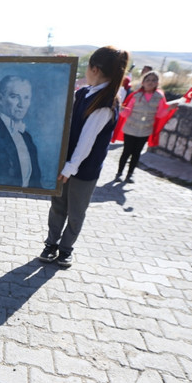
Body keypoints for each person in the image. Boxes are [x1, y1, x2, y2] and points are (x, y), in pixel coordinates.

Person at [39, 46, 128, 268]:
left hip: (82, 170)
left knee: (76, 211)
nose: (85, 72)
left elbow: (86, 142)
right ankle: (51, 243)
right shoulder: (84, 93)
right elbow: (62, 104)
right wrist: (61, 70)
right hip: (65, 165)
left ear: (95, 69)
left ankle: (66, 249)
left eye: (86, 68)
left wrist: (69, 168)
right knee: (58, 206)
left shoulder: (105, 103)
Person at [112, 70, 179, 183]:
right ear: (143, 82)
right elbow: (127, 113)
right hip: (131, 128)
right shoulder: (136, 95)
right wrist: (120, 109)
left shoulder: (159, 96)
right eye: (147, 80)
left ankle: (130, 174)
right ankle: (119, 173)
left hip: (145, 130)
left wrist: (168, 108)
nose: (150, 82)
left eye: (154, 80)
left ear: (157, 83)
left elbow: (159, 114)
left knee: (136, 153)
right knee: (126, 152)